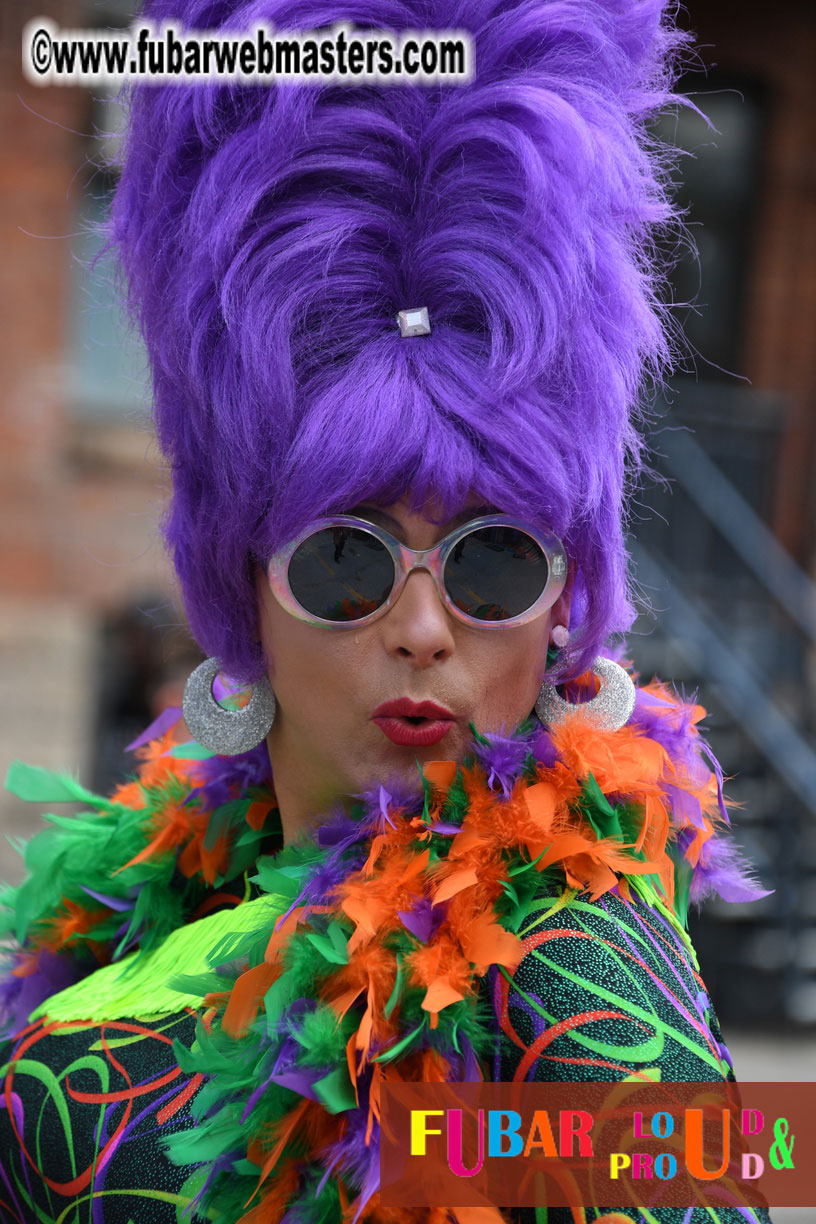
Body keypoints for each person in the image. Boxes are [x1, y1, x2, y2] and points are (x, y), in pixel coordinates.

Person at [0, 0, 773, 1221]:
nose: (422, 628)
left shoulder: (583, 984)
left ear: (565, 605)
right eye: (347, 564)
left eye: (494, 563)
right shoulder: (86, 1020)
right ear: (240, 590)